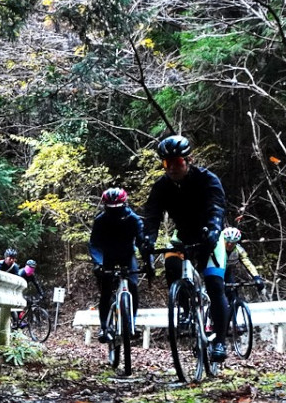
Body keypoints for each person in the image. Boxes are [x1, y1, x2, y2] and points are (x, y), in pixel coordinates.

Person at [140, 135, 230, 360]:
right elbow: (152, 215)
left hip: (209, 234)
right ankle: (185, 309)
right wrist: (148, 239)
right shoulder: (162, 186)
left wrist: (213, 229)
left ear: (189, 160)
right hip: (181, 237)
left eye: (177, 162)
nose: (171, 168)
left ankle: (219, 341)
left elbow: (217, 207)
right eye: (166, 163)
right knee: (171, 264)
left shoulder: (207, 179)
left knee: (215, 285)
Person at [89, 187, 153, 344]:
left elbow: (141, 241)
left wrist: (148, 262)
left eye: (117, 208)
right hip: (107, 256)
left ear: (125, 204)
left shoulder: (133, 219)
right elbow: (94, 244)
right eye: (110, 208)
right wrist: (98, 263)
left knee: (132, 286)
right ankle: (104, 327)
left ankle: (131, 322)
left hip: (127, 255)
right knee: (105, 290)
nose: (114, 211)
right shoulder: (100, 220)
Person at [216, 227, 266, 294]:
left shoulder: (238, 250)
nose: (230, 245)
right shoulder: (216, 248)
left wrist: (256, 277)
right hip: (214, 274)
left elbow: (248, 264)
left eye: (233, 243)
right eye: (227, 242)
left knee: (233, 294)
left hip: (227, 274)